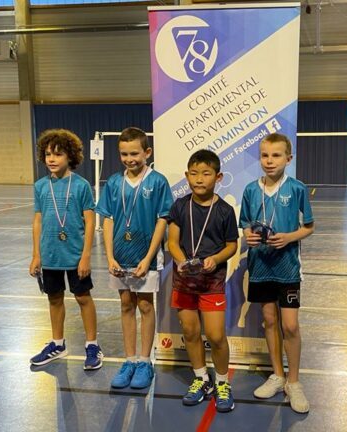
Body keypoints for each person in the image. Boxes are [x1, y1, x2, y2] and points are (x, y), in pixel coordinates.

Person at [239, 133, 314, 413]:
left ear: (288, 159)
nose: (270, 161)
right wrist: (249, 237)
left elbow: (309, 227)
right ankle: (277, 375)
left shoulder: (297, 189)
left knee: (290, 326)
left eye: (276, 155)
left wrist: (289, 237)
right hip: (260, 267)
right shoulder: (250, 190)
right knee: (269, 321)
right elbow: (246, 225)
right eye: (265, 155)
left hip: (287, 268)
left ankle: (293, 382)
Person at [95, 127, 173, 389]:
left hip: (146, 257)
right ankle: (129, 360)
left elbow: (163, 220)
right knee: (126, 304)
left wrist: (149, 256)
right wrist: (109, 257)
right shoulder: (114, 183)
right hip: (119, 256)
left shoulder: (157, 182)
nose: (130, 159)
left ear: (147, 152)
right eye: (124, 154)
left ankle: (144, 361)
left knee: (145, 306)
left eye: (135, 153)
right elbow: (106, 219)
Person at [167, 150, 239, 413]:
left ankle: (222, 383)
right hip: (184, 280)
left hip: (212, 282)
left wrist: (216, 258)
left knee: (217, 336)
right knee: (189, 332)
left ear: (218, 177)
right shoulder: (179, 206)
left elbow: (232, 245)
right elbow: (171, 242)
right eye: (194, 173)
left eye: (206, 174)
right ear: (187, 176)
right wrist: (181, 260)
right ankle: (201, 379)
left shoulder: (225, 210)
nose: (199, 179)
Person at [29, 129, 103, 370]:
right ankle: (58, 344)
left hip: (74, 254)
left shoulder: (81, 186)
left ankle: (92, 345)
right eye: (48, 154)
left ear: (70, 156)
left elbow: (90, 221)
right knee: (54, 298)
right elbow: (38, 221)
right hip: (50, 254)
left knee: (82, 297)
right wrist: (36, 255)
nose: (52, 159)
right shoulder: (40, 186)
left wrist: (86, 256)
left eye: (58, 154)